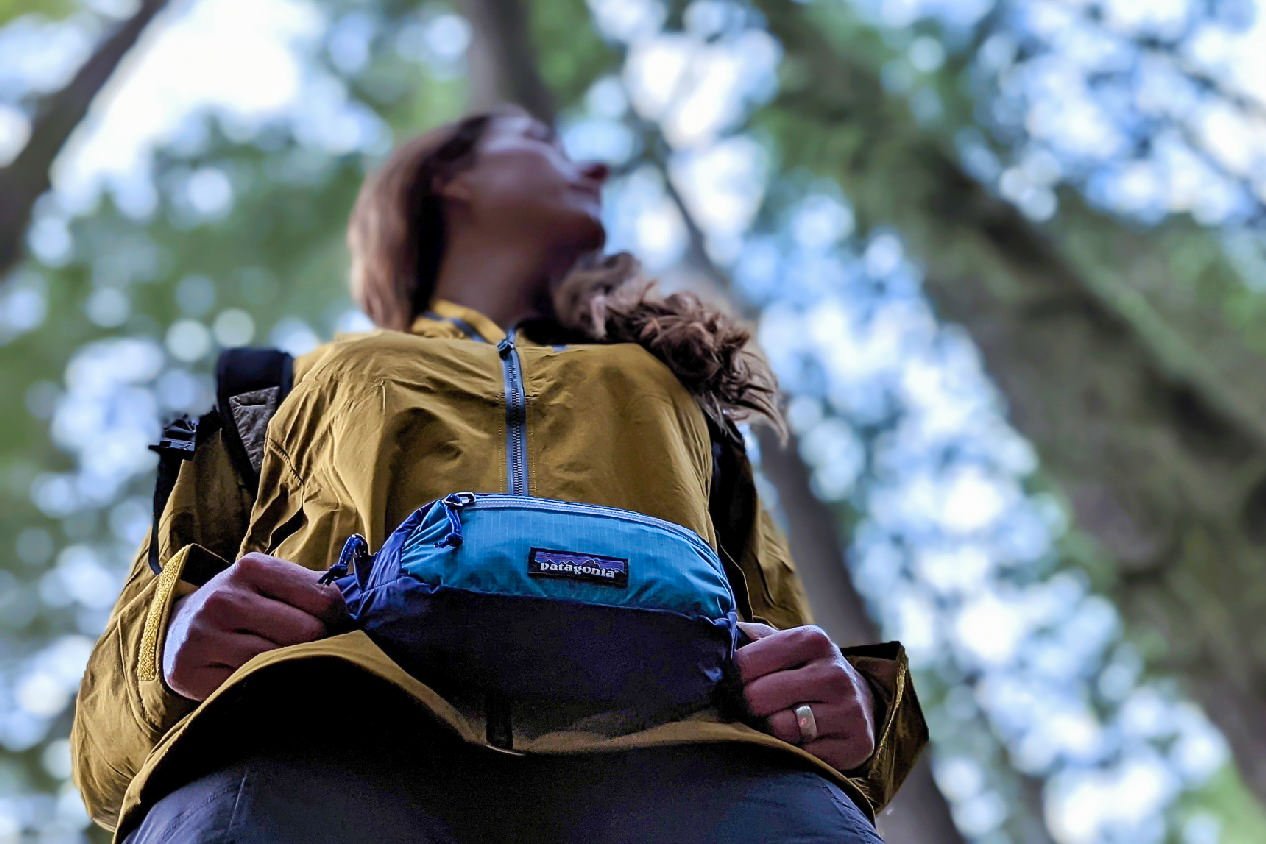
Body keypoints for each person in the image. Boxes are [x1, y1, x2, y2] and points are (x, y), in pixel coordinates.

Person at [70, 103, 928, 843]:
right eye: (546, 144)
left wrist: (853, 711)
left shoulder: (679, 393)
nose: (592, 164)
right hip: (316, 740)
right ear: (452, 178)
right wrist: (170, 653)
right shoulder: (277, 385)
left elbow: (795, 654)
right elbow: (105, 753)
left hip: (695, 771)